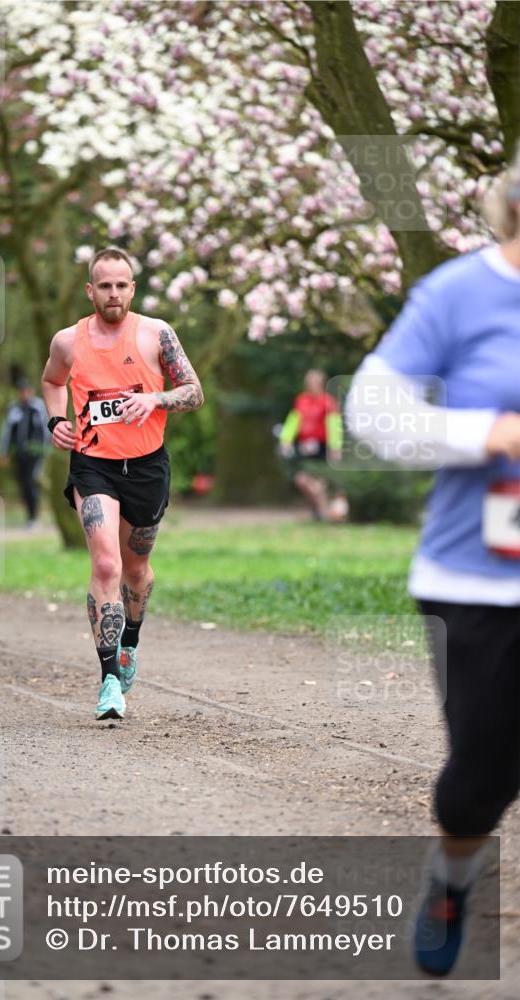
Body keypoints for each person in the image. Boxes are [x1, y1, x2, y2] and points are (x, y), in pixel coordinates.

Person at [346, 148, 520, 977]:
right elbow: (371, 409)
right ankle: (451, 878)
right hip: (475, 579)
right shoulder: (460, 292)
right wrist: (484, 433)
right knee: (480, 775)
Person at [41, 246, 203, 721]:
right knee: (107, 564)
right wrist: (56, 421)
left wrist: (154, 399)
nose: (113, 293)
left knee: (136, 570)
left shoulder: (156, 334)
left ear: (132, 289)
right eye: (104, 285)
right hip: (93, 465)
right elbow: (52, 382)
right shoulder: (68, 341)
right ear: (90, 290)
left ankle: (130, 640)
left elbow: (194, 392)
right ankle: (110, 680)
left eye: (120, 285)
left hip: (147, 467)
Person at [278, 369, 347, 521]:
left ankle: (324, 513)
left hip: (322, 448)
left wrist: (335, 447)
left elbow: (334, 425)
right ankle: (319, 510)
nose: (312, 385)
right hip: (305, 448)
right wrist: (286, 439)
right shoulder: (301, 401)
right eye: (310, 382)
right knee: (302, 480)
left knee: (319, 483)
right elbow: (293, 421)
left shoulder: (328, 402)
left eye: (315, 382)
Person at [0, 377, 51, 529]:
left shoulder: (39, 407)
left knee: (31, 480)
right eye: (21, 391)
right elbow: (7, 432)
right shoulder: (14, 409)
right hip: (20, 454)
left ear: (31, 391)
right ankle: (30, 517)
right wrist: (4, 452)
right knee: (24, 484)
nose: (24, 394)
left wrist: (46, 448)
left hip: (37, 453)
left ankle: (35, 517)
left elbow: (47, 429)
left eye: (26, 391)